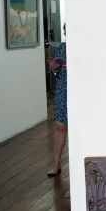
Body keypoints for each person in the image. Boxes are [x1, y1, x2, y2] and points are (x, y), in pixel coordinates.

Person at [47, 25, 67, 176]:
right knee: (60, 126)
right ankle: (56, 163)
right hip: (63, 90)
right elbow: (56, 73)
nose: (67, 34)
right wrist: (53, 68)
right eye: (65, 31)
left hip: (83, 91)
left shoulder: (87, 45)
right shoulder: (62, 47)